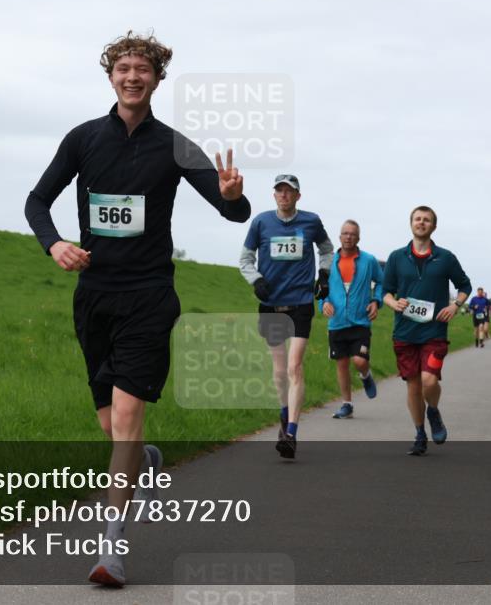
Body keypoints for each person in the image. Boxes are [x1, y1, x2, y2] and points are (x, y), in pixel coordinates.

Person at [25, 31, 251, 587]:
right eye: (123, 67)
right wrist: (54, 242)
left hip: (150, 296)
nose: (132, 76)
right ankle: (146, 461)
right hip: (95, 297)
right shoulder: (82, 140)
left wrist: (231, 196)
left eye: (142, 69)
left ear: (156, 79)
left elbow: (235, 214)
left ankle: (111, 549)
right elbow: (36, 201)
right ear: (111, 77)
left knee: (125, 421)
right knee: (113, 428)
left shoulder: (176, 146)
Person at [239, 174, 333, 458]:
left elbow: (327, 249)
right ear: (274, 195)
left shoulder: (311, 221)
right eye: (279, 190)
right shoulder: (261, 222)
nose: (284, 195)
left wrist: (324, 275)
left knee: (294, 368)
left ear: (297, 196)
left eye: (289, 191)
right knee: (280, 374)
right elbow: (245, 258)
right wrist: (256, 280)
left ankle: (291, 432)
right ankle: (284, 411)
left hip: (301, 302)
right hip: (271, 304)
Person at [382, 206, 471, 456]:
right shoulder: (396, 257)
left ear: (433, 226)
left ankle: (433, 411)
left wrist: (455, 305)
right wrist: (392, 303)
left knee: (429, 380)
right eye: (417, 219)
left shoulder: (446, 257)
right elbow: (385, 290)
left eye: (427, 220)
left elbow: (465, 285)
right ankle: (420, 434)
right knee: (413, 386)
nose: (421, 223)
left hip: (434, 332)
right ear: (411, 223)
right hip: (404, 332)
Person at [319, 219, 384, 419]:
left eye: (352, 234)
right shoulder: (329, 262)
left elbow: (381, 282)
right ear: (339, 237)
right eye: (345, 233)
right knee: (342, 364)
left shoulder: (368, 260)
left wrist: (376, 301)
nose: (348, 237)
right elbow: (322, 289)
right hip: (337, 322)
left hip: (360, 321)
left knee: (359, 360)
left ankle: (365, 375)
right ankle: (347, 404)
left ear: (358, 238)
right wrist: (324, 303)